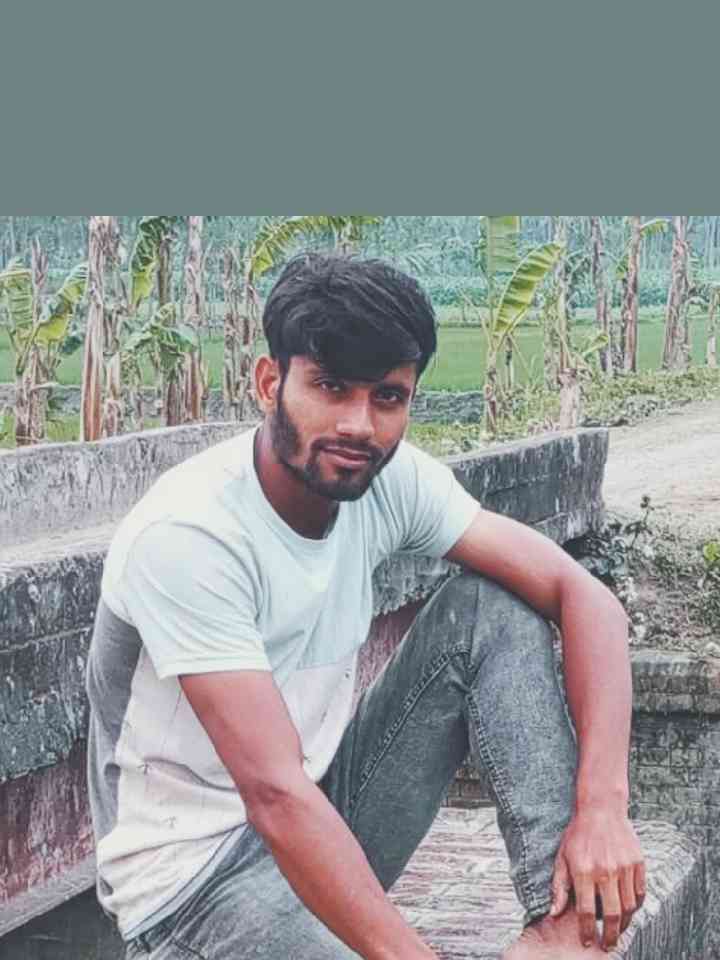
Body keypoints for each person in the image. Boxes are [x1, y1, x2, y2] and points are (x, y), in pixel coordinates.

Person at [86, 253, 645, 960]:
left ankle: (564, 932)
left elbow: (585, 598)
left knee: (488, 608)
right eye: (331, 387)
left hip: (321, 816)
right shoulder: (192, 534)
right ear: (270, 382)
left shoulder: (386, 480)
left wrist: (603, 809)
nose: (359, 424)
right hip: (191, 888)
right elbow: (274, 794)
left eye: (387, 396)